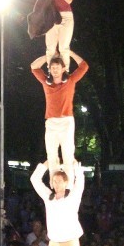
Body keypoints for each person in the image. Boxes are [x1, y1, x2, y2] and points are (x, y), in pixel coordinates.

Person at [31, 50, 88, 185]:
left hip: (66, 121)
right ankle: (54, 184)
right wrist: (48, 56)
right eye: (53, 68)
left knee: (67, 155)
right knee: (52, 156)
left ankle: (68, 186)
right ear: (49, 69)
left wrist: (70, 53)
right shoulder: (46, 82)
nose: (55, 70)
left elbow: (84, 66)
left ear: (63, 68)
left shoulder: (70, 80)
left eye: (58, 68)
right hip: (51, 122)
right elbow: (33, 67)